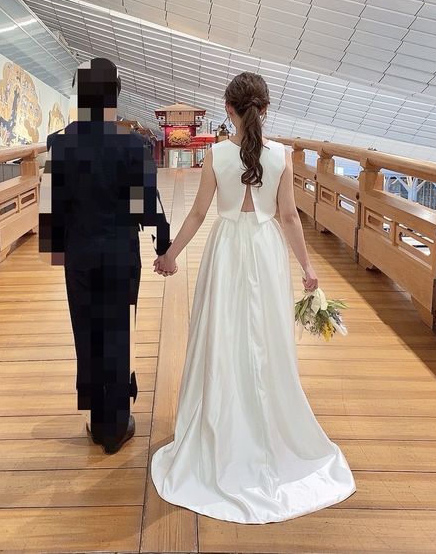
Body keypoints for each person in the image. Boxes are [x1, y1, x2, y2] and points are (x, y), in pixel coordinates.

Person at [150, 72, 356, 523]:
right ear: (264, 108)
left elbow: (199, 213)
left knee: (222, 334)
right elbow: (289, 217)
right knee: (265, 336)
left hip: (225, 249)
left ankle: (222, 424)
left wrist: (170, 256)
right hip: (265, 249)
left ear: (228, 109)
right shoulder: (281, 156)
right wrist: (307, 268)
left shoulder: (216, 154)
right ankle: (267, 426)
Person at [39, 58, 172, 455]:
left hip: (79, 255)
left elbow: (51, 208)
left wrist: (57, 250)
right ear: (114, 96)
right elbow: (146, 206)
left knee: (87, 334)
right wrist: (163, 245)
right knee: (116, 334)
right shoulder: (132, 145)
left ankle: (97, 421)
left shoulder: (59, 143)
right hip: (119, 255)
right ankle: (115, 427)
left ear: (81, 95)